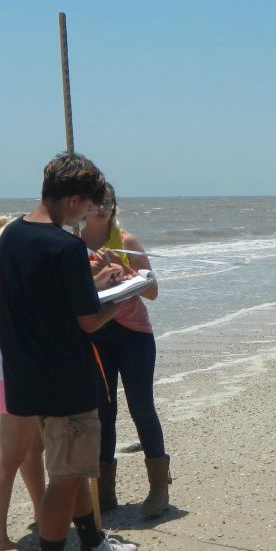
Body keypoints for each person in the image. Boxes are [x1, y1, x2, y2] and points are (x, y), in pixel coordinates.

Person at [0, 152, 141, 551]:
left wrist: (89, 277)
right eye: (84, 207)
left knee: (74, 466)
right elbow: (89, 321)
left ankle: (95, 544)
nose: (85, 216)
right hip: (65, 376)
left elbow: (44, 301)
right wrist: (122, 296)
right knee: (68, 473)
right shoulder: (65, 248)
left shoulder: (13, 235)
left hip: (25, 373)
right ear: (73, 198)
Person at [79, 183, 171, 516]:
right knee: (103, 413)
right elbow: (72, 296)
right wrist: (94, 273)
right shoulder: (73, 246)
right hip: (96, 335)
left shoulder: (126, 241)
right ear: (82, 207)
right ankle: (105, 494)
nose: (101, 209)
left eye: (107, 203)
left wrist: (129, 273)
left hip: (134, 336)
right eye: (94, 203)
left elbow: (153, 291)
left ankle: (159, 488)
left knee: (142, 407)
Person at [0, 216, 45, 551]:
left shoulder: (16, 280)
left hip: (23, 375)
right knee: (9, 456)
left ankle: (42, 510)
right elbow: (18, 326)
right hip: (10, 378)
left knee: (34, 451)